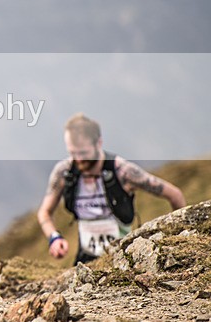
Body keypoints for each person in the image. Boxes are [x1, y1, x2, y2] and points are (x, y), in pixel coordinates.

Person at [37, 113, 185, 265]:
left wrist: (179, 237)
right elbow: (44, 212)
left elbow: (175, 195)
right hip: (85, 260)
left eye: (83, 153)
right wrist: (54, 237)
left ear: (99, 143)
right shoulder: (64, 172)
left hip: (124, 257)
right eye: (72, 153)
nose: (79, 159)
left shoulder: (123, 171)